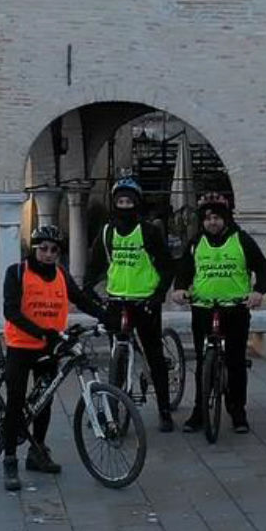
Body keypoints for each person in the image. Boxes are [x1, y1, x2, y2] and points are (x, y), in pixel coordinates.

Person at [0, 223, 106, 492]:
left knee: (44, 402)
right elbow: (11, 311)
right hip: (21, 345)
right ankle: (9, 460)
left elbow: (81, 300)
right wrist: (42, 332)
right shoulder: (16, 273)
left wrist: (106, 317)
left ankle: (37, 452)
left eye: (54, 250)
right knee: (15, 402)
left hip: (49, 348)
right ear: (34, 249)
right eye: (43, 249)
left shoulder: (61, 275)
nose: (48, 254)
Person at [170, 191, 266, 434]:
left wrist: (258, 291)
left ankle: (237, 411)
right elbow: (184, 270)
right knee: (202, 361)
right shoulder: (195, 242)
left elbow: (263, 268)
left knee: (235, 361)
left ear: (225, 218)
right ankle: (199, 410)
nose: (212, 222)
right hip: (203, 308)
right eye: (207, 219)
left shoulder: (242, 240)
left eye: (217, 218)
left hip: (235, 308)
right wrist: (179, 289)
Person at [87, 176, 177, 432]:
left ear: (137, 203)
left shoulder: (149, 231)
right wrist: (89, 290)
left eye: (129, 202)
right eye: (120, 202)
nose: (125, 206)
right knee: (116, 359)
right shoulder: (107, 232)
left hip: (145, 302)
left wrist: (158, 295)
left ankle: (164, 410)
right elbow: (95, 266)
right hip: (117, 300)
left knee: (154, 355)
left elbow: (167, 266)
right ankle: (113, 412)